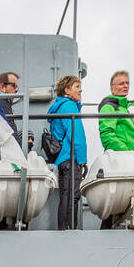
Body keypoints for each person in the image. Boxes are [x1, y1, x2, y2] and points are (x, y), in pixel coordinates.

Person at [46, 75, 87, 230]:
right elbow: (77, 135)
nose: (80, 89)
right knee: (72, 197)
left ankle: (64, 229)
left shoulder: (59, 106)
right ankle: (69, 231)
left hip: (62, 160)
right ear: (67, 90)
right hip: (71, 158)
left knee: (65, 196)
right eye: (77, 86)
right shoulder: (69, 106)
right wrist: (82, 159)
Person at [98, 70, 134, 152]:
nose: (126, 86)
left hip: (132, 157)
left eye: (127, 83)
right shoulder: (109, 107)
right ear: (112, 89)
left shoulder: (123, 108)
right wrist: (125, 152)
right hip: (122, 158)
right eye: (121, 84)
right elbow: (107, 135)